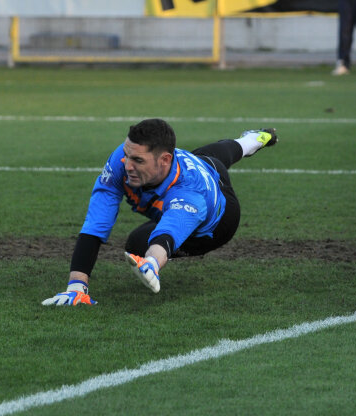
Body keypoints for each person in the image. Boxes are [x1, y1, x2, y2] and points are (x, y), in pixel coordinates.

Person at [41, 119, 278, 305]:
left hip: (219, 222)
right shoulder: (120, 161)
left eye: (137, 160)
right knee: (215, 154)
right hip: (202, 165)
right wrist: (76, 287)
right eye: (126, 155)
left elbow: (167, 235)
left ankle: (251, 141)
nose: (127, 165)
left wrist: (152, 264)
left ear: (164, 159)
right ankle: (253, 140)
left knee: (137, 245)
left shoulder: (189, 195)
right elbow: (96, 223)